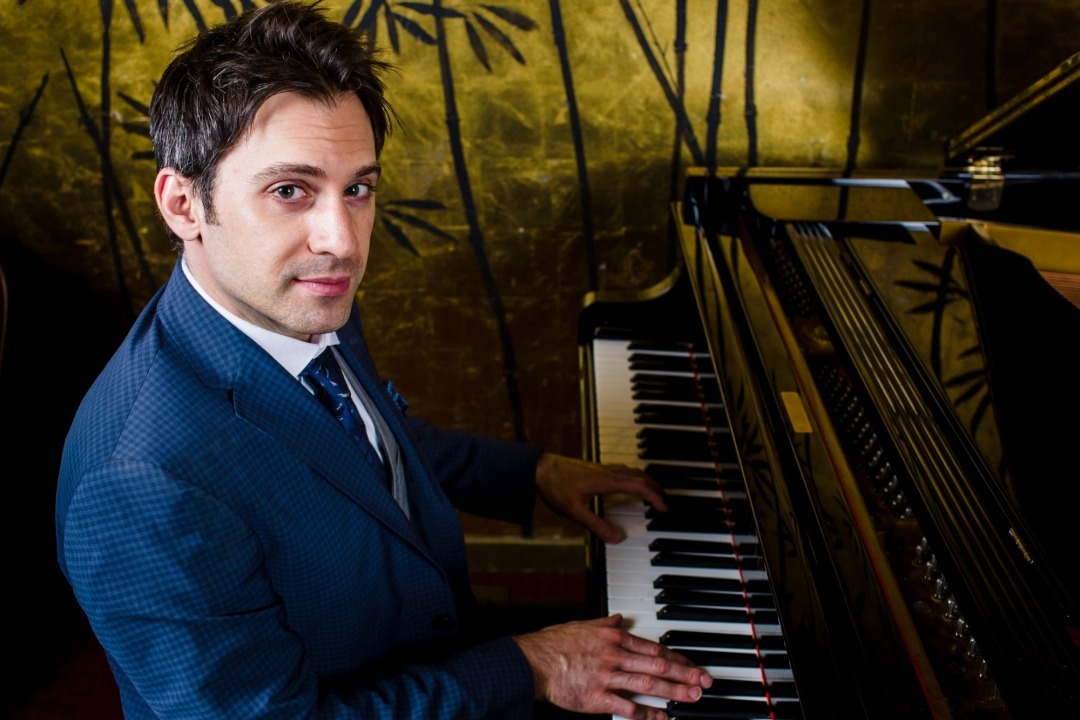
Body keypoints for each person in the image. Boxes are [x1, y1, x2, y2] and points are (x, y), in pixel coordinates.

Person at [54, 2, 713, 719]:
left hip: (421, 649)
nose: (342, 239)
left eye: (358, 188)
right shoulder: (140, 485)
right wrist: (528, 664)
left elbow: (360, 445)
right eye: (289, 191)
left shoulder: (299, 297)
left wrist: (532, 474)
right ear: (183, 204)